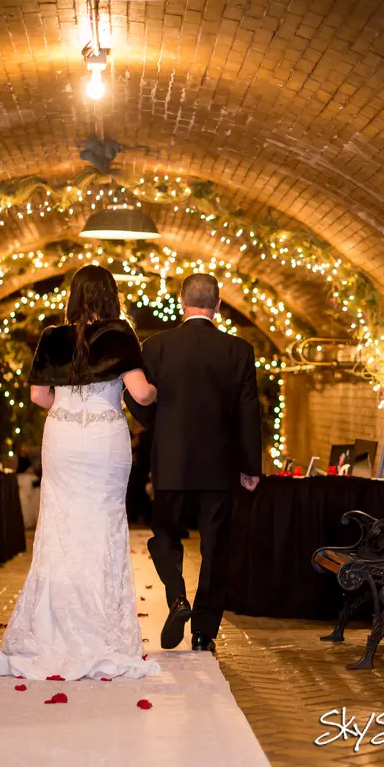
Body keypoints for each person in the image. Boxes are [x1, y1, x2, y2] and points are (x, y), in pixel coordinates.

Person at [0, 265, 160, 681]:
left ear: (74, 297)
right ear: (110, 296)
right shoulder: (119, 333)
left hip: (62, 438)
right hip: (103, 440)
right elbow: (141, 392)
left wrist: (68, 404)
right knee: (102, 524)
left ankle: (51, 625)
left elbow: (40, 396)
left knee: (58, 525)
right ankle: (98, 626)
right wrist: (156, 391)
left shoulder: (52, 337)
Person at [125, 273, 262, 654]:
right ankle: (204, 633)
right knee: (216, 548)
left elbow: (136, 399)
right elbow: (248, 412)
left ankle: (176, 598)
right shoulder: (239, 350)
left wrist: (161, 428)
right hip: (219, 467)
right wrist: (251, 466)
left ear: (182, 303)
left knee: (164, 535)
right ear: (218, 305)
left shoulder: (156, 346)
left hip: (171, 462)